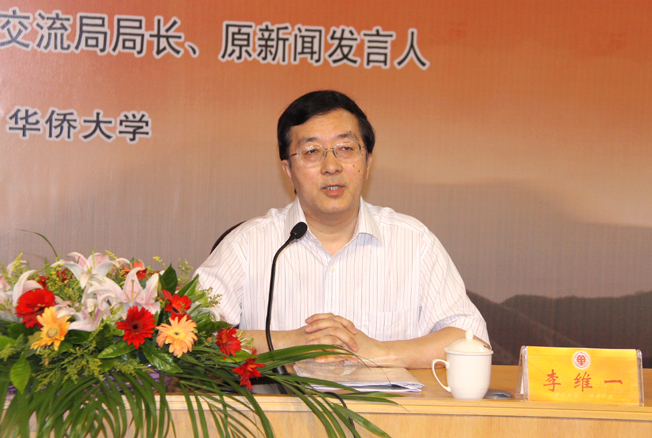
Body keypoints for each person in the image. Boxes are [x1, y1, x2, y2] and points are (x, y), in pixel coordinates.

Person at [196, 90, 488, 368]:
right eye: (312, 151)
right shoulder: (247, 245)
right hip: (279, 406)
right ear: (288, 170)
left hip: (386, 406)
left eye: (346, 149)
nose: (331, 166)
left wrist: (380, 352)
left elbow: (472, 340)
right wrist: (290, 343)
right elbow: (189, 335)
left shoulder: (414, 242)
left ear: (368, 161)